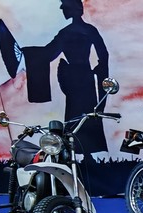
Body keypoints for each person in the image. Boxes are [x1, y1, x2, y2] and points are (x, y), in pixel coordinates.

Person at [21, 0, 110, 153]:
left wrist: (29, 53)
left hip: (75, 78)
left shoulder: (66, 33)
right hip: (84, 76)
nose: (63, 11)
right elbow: (104, 54)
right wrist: (98, 69)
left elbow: (48, 53)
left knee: (77, 115)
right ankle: (82, 152)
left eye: (64, 8)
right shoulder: (88, 30)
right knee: (82, 114)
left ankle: (79, 151)